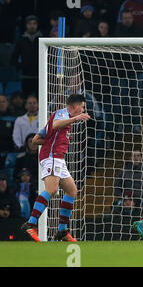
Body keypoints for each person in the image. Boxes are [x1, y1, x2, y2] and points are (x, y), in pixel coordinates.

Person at [21, 94, 91, 242]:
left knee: (72, 190)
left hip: (58, 159)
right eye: (82, 107)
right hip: (52, 157)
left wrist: (57, 138)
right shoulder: (62, 113)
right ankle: (31, 223)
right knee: (51, 190)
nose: (83, 110)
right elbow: (55, 125)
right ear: (74, 106)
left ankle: (62, 231)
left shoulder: (61, 120)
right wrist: (75, 119)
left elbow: (35, 140)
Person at [10, 15, 42, 98]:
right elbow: (13, 58)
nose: (32, 26)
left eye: (34, 23)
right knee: (26, 98)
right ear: (26, 25)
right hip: (26, 76)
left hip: (40, 76)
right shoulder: (21, 40)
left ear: (37, 25)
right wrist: (21, 66)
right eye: (30, 23)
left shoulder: (42, 39)